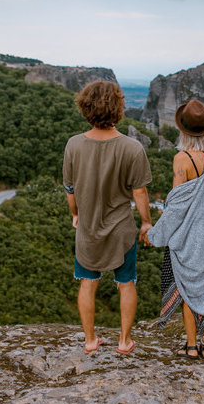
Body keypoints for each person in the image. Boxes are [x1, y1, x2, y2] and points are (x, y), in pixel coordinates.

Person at [62, 80, 153, 355]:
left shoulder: (73, 145)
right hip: (121, 230)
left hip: (87, 229)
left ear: (85, 107)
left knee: (87, 283)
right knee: (126, 284)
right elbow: (139, 192)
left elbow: (70, 189)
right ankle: (124, 342)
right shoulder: (132, 148)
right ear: (118, 108)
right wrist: (147, 222)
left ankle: (90, 340)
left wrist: (75, 214)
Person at [147, 99, 204, 360]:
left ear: (183, 130)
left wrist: (154, 235)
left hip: (189, 237)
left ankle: (192, 346)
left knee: (186, 289)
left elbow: (175, 207)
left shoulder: (181, 160)